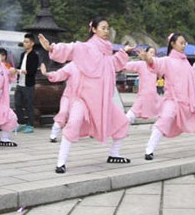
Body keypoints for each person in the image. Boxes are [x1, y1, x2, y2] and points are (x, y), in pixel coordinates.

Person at [37, 18, 134, 173]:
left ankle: (114, 154)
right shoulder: (86, 47)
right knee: (73, 122)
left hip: (102, 101)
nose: (106, 31)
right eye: (103, 28)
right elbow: (71, 48)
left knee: (122, 122)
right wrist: (52, 47)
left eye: (108, 28)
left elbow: (114, 64)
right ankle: (61, 162)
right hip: (83, 99)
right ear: (94, 30)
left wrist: (123, 52)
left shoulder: (107, 52)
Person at [137, 33, 195, 160]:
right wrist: (147, 59)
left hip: (188, 102)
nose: (184, 45)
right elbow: (156, 63)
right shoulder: (168, 60)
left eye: (185, 43)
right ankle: (149, 150)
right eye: (181, 42)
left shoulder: (184, 62)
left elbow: (193, 74)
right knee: (164, 120)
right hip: (172, 100)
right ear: (173, 44)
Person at [43, 61, 82, 143]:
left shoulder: (91, 66)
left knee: (76, 117)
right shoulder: (72, 65)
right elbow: (60, 74)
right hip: (68, 95)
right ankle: (53, 135)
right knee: (63, 113)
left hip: (81, 98)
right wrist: (47, 74)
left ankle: (73, 134)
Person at [123, 47, 162, 124]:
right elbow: (125, 65)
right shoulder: (141, 64)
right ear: (146, 53)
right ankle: (120, 128)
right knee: (132, 113)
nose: (152, 54)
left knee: (165, 110)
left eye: (154, 53)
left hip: (153, 95)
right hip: (144, 94)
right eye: (151, 52)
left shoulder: (156, 65)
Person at [14, 33, 40, 134]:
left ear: (32, 43)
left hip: (28, 84)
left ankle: (30, 125)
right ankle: (21, 123)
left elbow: (33, 70)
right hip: (20, 83)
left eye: (27, 42)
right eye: (24, 42)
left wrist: (25, 71)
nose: (25, 43)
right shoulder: (22, 54)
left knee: (29, 105)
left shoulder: (34, 56)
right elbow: (20, 66)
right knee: (17, 103)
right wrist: (18, 71)